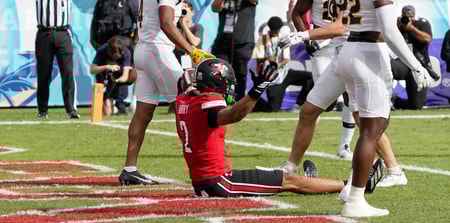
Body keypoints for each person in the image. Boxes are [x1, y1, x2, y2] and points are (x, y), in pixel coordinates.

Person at [277, 0, 433, 217]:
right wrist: (415, 65)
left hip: (347, 50)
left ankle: (354, 185)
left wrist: (303, 35)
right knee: (372, 130)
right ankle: (355, 200)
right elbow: (388, 30)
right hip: (369, 53)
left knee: (363, 121)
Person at [175, 58, 382, 197]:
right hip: (218, 183)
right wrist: (256, 91)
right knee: (289, 181)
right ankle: (353, 185)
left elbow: (185, 85)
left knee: (281, 177)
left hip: (206, 179)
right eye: (226, 84)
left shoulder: (184, 101)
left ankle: (312, 181)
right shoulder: (207, 102)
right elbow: (232, 115)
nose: (228, 88)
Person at [273, 0, 407, 185]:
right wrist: (306, 36)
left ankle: (393, 171)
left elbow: (341, 27)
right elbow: (304, 14)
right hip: (341, 54)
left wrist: (304, 35)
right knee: (309, 110)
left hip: (360, 53)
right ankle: (290, 167)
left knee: (363, 117)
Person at [118, 0, 214, 185]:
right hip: (157, 50)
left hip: (144, 48)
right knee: (188, 106)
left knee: (143, 112)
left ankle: (130, 169)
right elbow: (166, 22)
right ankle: (202, 170)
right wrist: (192, 50)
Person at [292, 0, 355, 159]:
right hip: (321, 43)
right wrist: (306, 38)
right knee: (325, 103)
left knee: (350, 95)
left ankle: (345, 146)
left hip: (344, 42)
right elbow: (297, 13)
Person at [252, 16, 313, 112]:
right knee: (273, 109)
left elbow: (286, 59)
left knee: (310, 77)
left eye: (276, 30)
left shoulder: (282, 38)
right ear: (269, 29)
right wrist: (267, 58)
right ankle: (254, 103)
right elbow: (257, 59)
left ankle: (299, 104)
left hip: (285, 72)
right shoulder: (263, 39)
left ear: (280, 29)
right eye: (273, 31)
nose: (275, 33)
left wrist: (277, 65)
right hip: (271, 77)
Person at [90, 0, 140, 115]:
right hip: (105, 44)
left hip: (124, 44)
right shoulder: (102, 2)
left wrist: (134, 44)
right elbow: (94, 23)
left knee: (123, 71)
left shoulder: (130, 2)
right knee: (102, 73)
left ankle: (120, 104)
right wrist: (95, 44)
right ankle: (105, 102)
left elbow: (139, 23)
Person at [35, 0, 80, 119]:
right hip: (44, 33)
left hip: (62, 33)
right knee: (43, 74)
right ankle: (42, 110)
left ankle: (71, 110)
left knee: (68, 72)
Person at [211, 0, 258, 101]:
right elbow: (215, 8)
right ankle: (220, 101)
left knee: (240, 74)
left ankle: (239, 102)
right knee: (220, 72)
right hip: (222, 42)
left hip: (243, 42)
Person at [391, 5, 434, 110]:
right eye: (406, 16)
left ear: (414, 16)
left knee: (416, 105)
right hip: (403, 63)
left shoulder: (421, 23)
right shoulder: (397, 25)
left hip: (420, 64)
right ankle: (384, 98)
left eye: (411, 16)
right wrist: (396, 26)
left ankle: (397, 101)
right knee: (386, 67)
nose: (408, 19)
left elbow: (427, 39)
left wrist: (411, 28)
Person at [90, 37, 133, 116]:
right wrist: (107, 67)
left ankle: (119, 104)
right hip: (103, 77)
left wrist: (116, 80)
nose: (117, 57)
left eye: (118, 56)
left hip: (118, 78)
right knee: (107, 112)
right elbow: (92, 70)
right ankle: (109, 103)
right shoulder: (102, 50)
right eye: (115, 56)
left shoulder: (126, 52)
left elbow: (125, 77)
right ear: (110, 53)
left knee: (133, 72)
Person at [174, 0, 204, 65]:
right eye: (181, 8)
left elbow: (195, 42)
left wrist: (184, 25)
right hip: (179, 63)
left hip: (195, 63)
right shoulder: (175, 28)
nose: (183, 9)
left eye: (185, 6)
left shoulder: (198, 27)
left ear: (192, 12)